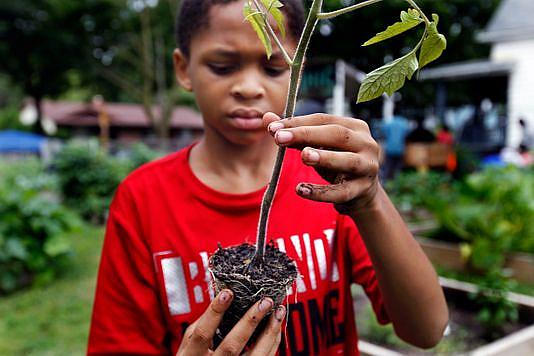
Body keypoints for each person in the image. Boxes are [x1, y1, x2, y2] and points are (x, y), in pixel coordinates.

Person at [87, 1, 448, 355]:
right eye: (222, 66)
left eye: (274, 67)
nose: (248, 87)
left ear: (298, 69)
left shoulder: (331, 184)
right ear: (183, 69)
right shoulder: (143, 199)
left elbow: (426, 329)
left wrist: (369, 199)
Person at [381, 114, 410, 180]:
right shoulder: (404, 124)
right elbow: (407, 136)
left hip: (390, 149)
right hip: (400, 149)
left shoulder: (389, 123)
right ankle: (397, 184)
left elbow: (384, 133)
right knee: (398, 169)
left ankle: (386, 184)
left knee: (388, 167)